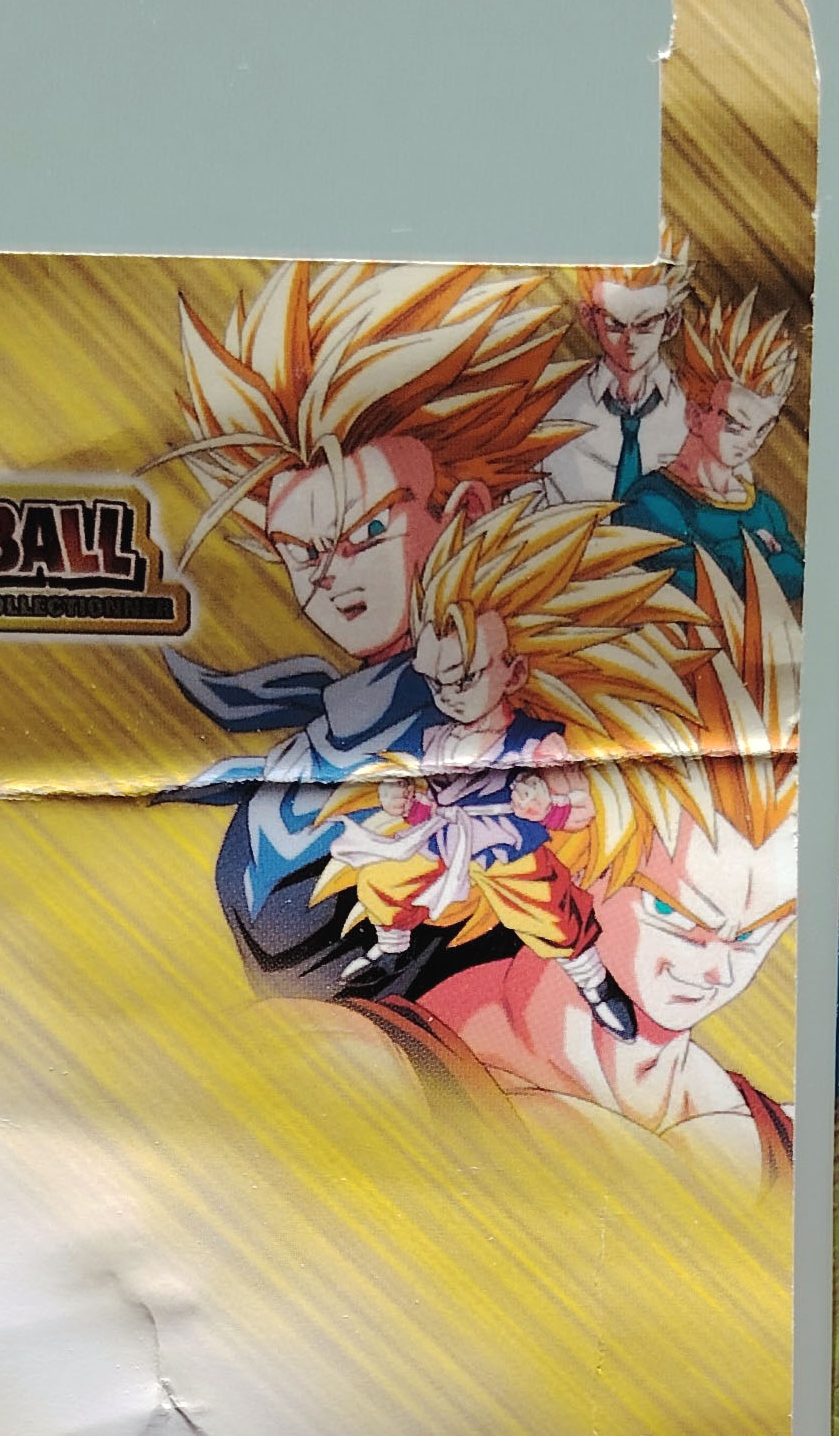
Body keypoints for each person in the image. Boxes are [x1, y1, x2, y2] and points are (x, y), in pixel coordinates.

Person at [156, 261, 573, 999]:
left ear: (466, 514)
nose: (326, 575)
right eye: (300, 550)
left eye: (367, 532)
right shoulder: (323, 726)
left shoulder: (498, 715)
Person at [410, 555, 799, 1182]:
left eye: (752, 935)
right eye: (673, 912)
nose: (715, 971)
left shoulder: (774, 1135)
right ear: (585, 856)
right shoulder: (403, 1068)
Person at [313, 493, 707, 1040]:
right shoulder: (438, 738)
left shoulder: (538, 744)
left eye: (465, 678)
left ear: (514, 672)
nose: (450, 695)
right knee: (382, 883)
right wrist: (407, 803)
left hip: (510, 853)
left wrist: (547, 806)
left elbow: (581, 808)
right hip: (441, 843)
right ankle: (390, 949)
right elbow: (435, 800)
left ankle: (595, 986)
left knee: (554, 919)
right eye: (438, 683)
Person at [614, 288, 803, 606]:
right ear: (695, 416)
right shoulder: (650, 502)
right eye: (737, 425)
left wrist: (730, 559)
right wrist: (760, 555)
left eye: (763, 429)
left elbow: (797, 576)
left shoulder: (765, 509)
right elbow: (699, 591)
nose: (752, 442)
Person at [535, 233, 696, 507]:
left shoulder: (697, 413)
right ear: (589, 318)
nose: (629, 340)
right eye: (615, 324)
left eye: (645, 324)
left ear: (671, 323)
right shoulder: (556, 406)